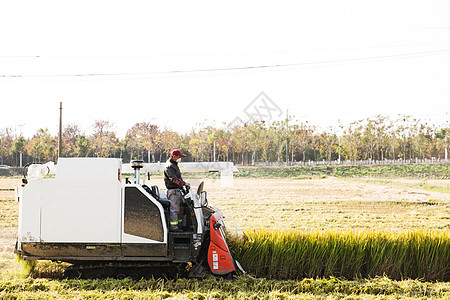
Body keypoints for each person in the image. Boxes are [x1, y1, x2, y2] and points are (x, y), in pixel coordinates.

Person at [164, 149, 188, 231]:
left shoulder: (174, 164)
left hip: (177, 190)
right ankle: (174, 227)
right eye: (179, 156)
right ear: (174, 156)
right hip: (173, 191)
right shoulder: (169, 166)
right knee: (175, 210)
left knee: (180, 210)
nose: (180, 158)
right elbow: (174, 179)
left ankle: (179, 225)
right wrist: (184, 184)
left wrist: (182, 187)